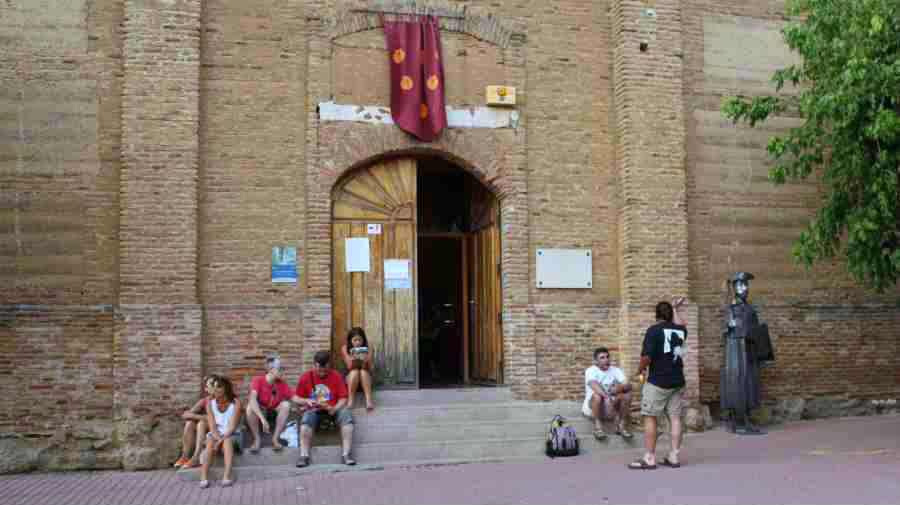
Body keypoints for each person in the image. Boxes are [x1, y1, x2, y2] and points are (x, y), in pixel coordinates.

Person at [629, 297, 688, 470]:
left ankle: (649, 458)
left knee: (650, 417)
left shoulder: (653, 331)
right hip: (677, 381)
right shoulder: (680, 331)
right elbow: (682, 325)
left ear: (656, 315)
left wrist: (639, 370)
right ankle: (674, 457)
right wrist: (676, 309)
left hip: (658, 382)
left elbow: (647, 357)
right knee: (675, 418)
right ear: (671, 315)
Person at [292, 351, 355, 467]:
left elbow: (343, 398)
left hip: (332, 410)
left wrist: (335, 408)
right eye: (319, 370)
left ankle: (346, 454)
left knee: (346, 415)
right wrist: (306, 401)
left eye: (325, 370)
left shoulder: (336, 376)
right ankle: (303, 456)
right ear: (314, 365)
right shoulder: (306, 377)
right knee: (306, 419)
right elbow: (296, 397)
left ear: (329, 366)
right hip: (314, 411)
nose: (321, 373)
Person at [721, 271, 765, 434]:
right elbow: (729, 326)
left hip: (749, 348)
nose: (745, 288)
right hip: (736, 348)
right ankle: (739, 419)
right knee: (738, 380)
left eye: (746, 284)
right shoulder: (732, 307)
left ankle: (747, 417)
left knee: (750, 381)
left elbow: (753, 326)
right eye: (741, 285)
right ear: (735, 288)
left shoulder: (750, 308)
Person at [199, 376, 241, 488]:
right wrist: (217, 439)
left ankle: (227, 476)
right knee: (209, 443)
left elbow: (232, 428)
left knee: (226, 441)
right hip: (216, 433)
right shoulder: (209, 403)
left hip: (233, 434)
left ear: (225, 388)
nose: (215, 390)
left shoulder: (235, 403)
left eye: (219, 387)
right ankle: (203, 477)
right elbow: (212, 427)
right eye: (214, 387)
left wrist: (220, 442)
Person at [582, 347, 632, 439]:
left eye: (607, 357)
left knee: (627, 395)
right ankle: (598, 428)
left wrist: (618, 389)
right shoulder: (591, 370)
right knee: (597, 396)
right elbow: (594, 384)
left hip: (612, 407)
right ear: (596, 361)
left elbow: (628, 386)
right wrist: (607, 398)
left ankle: (621, 427)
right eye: (602, 358)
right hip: (594, 407)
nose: (606, 360)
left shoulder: (615, 370)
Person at [246, 356, 294, 453]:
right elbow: (252, 400)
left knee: (286, 405)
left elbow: (294, 397)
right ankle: (257, 439)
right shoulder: (258, 380)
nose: (282, 371)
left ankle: (275, 439)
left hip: (274, 410)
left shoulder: (281, 383)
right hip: (261, 411)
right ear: (271, 370)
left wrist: (307, 400)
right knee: (250, 408)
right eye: (280, 369)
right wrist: (262, 419)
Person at [174, 375, 216, 469]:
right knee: (190, 423)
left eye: (215, 384)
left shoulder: (222, 400)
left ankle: (196, 457)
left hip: (219, 426)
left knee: (201, 423)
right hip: (207, 426)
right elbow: (185, 415)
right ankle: (185, 456)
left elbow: (216, 419)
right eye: (210, 385)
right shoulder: (204, 401)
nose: (213, 387)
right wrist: (195, 416)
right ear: (206, 389)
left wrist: (196, 416)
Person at [340, 327, 375, 411]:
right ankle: (351, 400)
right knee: (355, 371)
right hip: (351, 378)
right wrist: (353, 359)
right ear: (350, 340)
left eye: (360, 340)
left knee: (362, 371)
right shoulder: (345, 348)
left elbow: (370, 367)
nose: (358, 343)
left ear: (363, 340)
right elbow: (349, 367)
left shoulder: (369, 346)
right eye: (355, 340)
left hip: (366, 378)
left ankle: (368, 400)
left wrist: (365, 359)